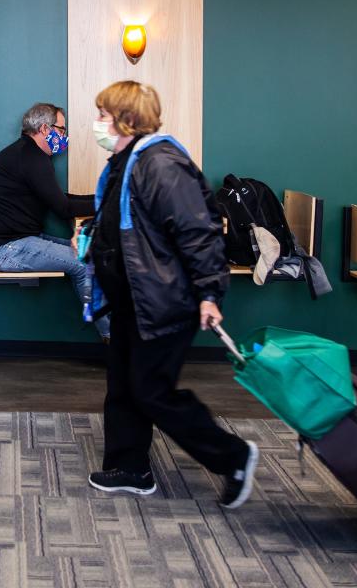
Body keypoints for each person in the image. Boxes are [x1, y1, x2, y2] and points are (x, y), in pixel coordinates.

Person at [84, 81, 259, 509]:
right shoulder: (127, 160)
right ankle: (130, 467)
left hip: (164, 300)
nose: (99, 123)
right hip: (134, 299)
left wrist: (209, 292)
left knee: (152, 391)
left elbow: (198, 231)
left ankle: (233, 457)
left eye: (104, 115)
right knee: (123, 384)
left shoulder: (160, 163)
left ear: (126, 119)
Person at [0, 103, 109, 338]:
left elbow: (59, 199)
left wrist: (102, 198)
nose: (64, 136)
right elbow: (64, 208)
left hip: (17, 241)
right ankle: (114, 338)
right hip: (6, 249)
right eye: (61, 129)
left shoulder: (26, 154)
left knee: (87, 256)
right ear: (44, 128)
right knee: (83, 264)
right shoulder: (32, 159)